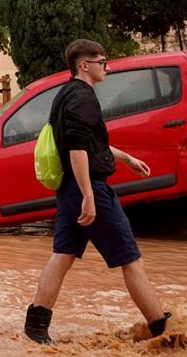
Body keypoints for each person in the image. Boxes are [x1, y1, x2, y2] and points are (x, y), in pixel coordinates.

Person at [23, 39, 170, 344]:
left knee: (61, 255)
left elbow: (89, 142)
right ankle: (163, 330)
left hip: (69, 189)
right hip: (87, 187)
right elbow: (77, 149)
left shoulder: (64, 94)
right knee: (131, 260)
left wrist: (126, 158)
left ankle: (35, 328)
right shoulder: (83, 97)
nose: (107, 67)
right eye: (102, 61)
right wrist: (89, 196)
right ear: (84, 65)